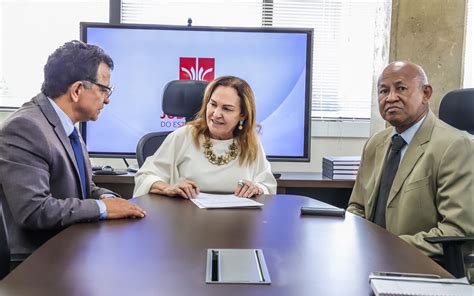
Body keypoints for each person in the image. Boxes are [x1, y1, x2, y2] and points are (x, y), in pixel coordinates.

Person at [0, 40, 146, 256]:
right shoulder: (26, 128)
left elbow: (84, 188)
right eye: (105, 90)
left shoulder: (64, 124)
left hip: (72, 246)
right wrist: (103, 209)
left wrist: (106, 197)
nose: (107, 100)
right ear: (77, 90)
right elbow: (34, 210)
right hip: (37, 260)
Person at [347, 61, 473, 257]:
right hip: (371, 259)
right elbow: (357, 206)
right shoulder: (375, 144)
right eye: (383, 91)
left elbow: (458, 232)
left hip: (425, 268)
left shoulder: (455, 146)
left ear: (426, 94)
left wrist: (387, 246)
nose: (390, 98)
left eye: (401, 88)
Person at [134, 76, 277, 199]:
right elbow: (145, 177)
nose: (215, 114)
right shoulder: (183, 136)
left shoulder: (250, 142)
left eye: (227, 109)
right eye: (213, 104)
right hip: (185, 222)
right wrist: (167, 188)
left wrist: (257, 188)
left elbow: (267, 185)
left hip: (237, 225)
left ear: (243, 115)